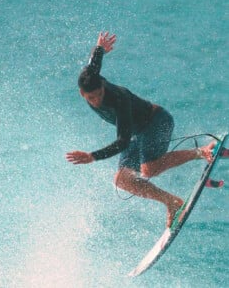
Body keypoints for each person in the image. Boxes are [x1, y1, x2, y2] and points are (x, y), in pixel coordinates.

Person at [66, 32, 214, 228]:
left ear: (102, 86)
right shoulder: (89, 79)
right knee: (122, 180)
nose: (97, 100)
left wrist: (93, 156)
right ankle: (172, 202)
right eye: (91, 98)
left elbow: (122, 142)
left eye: (99, 95)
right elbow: (94, 63)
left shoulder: (118, 98)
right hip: (137, 133)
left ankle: (201, 152)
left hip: (156, 121)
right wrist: (100, 47)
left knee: (150, 168)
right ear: (82, 93)